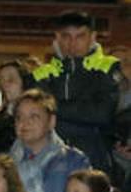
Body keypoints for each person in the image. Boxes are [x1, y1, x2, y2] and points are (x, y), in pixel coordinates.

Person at [32, 10, 122, 171]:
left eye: (80, 36)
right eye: (66, 36)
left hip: (94, 160)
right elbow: (36, 116)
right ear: (57, 37)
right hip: (49, 160)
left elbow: (102, 114)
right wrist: (82, 111)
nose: (72, 43)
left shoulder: (108, 66)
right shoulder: (41, 73)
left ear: (92, 37)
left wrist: (52, 106)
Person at [10, 89, 91, 192]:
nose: (24, 123)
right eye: (19, 117)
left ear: (51, 121)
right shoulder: (6, 164)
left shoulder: (74, 161)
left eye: (34, 117)